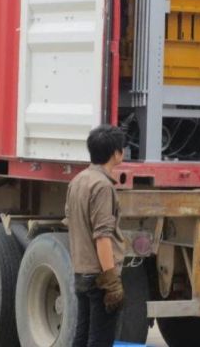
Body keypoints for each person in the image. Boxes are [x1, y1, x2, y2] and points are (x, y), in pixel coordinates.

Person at [65, 125, 127, 347]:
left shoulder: (78, 181)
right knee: (99, 340)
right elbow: (102, 237)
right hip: (99, 277)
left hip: (81, 272)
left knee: (81, 337)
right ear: (116, 154)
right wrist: (111, 282)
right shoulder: (102, 186)